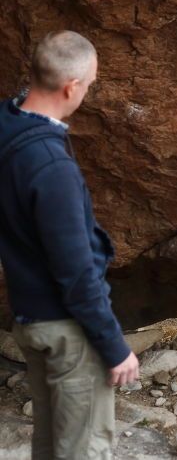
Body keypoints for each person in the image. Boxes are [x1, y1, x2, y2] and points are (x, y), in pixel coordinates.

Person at [0, 31, 139, 459]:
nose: (88, 91)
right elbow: (76, 272)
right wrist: (115, 348)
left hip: (29, 316)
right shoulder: (50, 167)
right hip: (67, 330)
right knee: (83, 449)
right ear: (71, 87)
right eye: (90, 83)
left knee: (49, 443)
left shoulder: (7, 124)